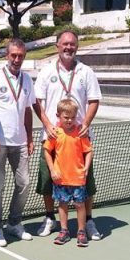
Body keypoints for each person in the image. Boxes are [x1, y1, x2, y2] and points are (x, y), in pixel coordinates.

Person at [32, 30, 103, 241]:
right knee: (48, 181)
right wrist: (46, 124)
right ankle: (49, 218)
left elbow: (94, 100)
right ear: (57, 46)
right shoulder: (46, 71)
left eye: (72, 44)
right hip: (53, 137)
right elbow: (37, 101)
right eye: (64, 44)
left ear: (77, 47)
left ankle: (88, 221)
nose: (68, 47)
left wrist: (87, 123)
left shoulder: (86, 72)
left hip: (79, 139)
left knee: (85, 182)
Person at [0, 38, 35, 247]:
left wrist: (30, 137)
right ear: (7, 55)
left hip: (21, 142)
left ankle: (14, 223)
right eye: (13, 55)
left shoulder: (28, 80)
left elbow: (27, 110)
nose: (17, 59)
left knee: (24, 183)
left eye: (20, 56)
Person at [42, 99, 93, 247]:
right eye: (66, 117)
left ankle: (81, 232)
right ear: (58, 115)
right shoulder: (55, 133)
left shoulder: (81, 133)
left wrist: (86, 168)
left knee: (79, 205)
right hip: (60, 178)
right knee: (62, 204)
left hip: (78, 178)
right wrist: (52, 170)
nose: (70, 120)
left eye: (72, 117)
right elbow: (46, 151)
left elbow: (89, 151)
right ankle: (64, 231)